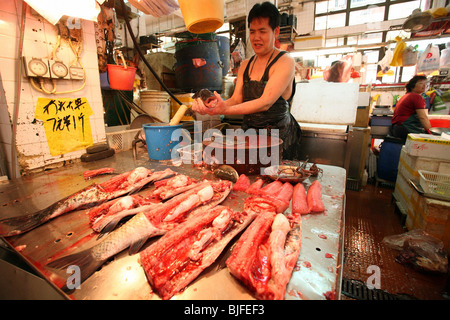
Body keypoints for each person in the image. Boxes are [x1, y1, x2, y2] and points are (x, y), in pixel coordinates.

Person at [192, 1, 302, 160]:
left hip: (280, 138)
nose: (256, 38)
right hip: (249, 136)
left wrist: (224, 110)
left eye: (262, 31)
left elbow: (265, 102)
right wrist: (213, 105)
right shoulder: (245, 65)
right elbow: (236, 99)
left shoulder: (285, 61)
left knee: (275, 181)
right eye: (252, 32)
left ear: (275, 31)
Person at [391, 75, 432, 141]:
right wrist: (430, 133)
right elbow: (422, 117)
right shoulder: (416, 97)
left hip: (397, 129)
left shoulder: (406, 96)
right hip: (406, 128)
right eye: (421, 83)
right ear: (412, 86)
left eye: (425, 83)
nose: (424, 86)